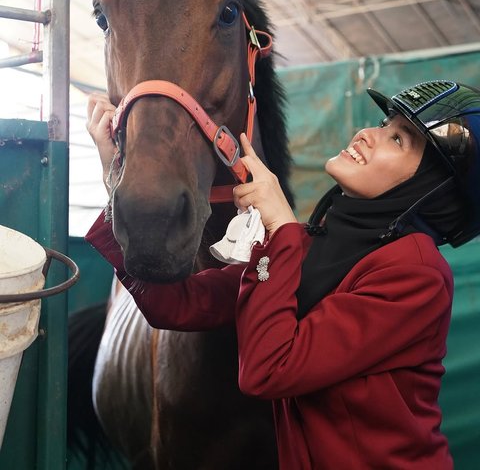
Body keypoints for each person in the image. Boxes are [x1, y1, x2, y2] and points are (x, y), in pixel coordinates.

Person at [85, 79, 480, 470]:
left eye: (399, 140)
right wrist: (115, 177)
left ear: (434, 189)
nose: (367, 134)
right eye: (383, 125)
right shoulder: (312, 245)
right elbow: (176, 305)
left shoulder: (417, 275)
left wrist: (281, 229)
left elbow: (267, 370)